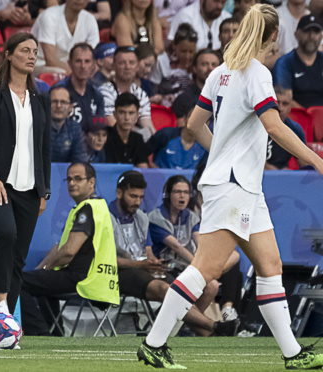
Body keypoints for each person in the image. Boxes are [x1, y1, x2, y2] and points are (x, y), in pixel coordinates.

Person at [137, 5, 323, 369]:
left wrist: (220, 151)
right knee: (204, 269)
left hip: (239, 184)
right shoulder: (257, 73)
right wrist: (314, 159)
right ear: (273, 36)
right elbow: (273, 126)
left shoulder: (221, 73)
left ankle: (294, 355)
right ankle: (153, 343)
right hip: (235, 184)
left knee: (270, 267)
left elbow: (192, 125)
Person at [0, 33, 51, 318]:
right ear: (9, 54)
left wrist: (44, 190)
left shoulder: (42, 98)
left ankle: (7, 323)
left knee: (19, 258)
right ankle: (0, 305)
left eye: (35, 52)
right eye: (25, 50)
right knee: (6, 232)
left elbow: (44, 148)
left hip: (30, 188)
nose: (31, 56)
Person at [111, 171, 240, 337]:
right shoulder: (148, 217)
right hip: (125, 272)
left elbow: (150, 253)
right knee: (174, 291)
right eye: (133, 196)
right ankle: (213, 327)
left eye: (140, 197)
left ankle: (197, 329)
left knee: (213, 283)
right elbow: (177, 247)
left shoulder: (142, 218)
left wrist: (151, 264)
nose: (137, 202)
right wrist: (199, 268)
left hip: (156, 268)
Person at [20, 162, 119, 336]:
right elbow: (60, 246)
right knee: (39, 282)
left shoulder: (87, 210)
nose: (72, 183)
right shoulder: (96, 207)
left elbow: (69, 252)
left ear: (91, 182)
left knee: (18, 281)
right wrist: (41, 270)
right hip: (99, 281)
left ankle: (39, 334)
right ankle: (55, 334)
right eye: (69, 179)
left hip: (83, 279)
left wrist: (46, 268)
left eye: (78, 179)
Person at [99, 46, 155, 140]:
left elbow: (149, 127)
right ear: (114, 66)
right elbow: (113, 126)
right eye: (122, 63)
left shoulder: (140, 94)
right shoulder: (104, 91)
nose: (127, 67)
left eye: (131, 63)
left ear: (137, 66)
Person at [31, 0, 100, 74]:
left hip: (75, 67)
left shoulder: (90, 19)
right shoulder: (49, 15)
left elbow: (93, 56)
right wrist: (76, 74)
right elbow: (50, 60)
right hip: (40, 65)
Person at [273, 14, 323, 109]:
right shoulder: (285, 62)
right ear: (296, 34)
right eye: (306, 31)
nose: (311, 36)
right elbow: (283, 100)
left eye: (316, 32)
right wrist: (310, 116)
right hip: (296, 116)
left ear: (321, 36)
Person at [53, 43, 105, 130]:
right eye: (78, 61)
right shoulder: (58, 92)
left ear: (93, 65)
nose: (83, 66)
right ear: (70, 64)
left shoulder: (97, 94)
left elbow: (100, 127)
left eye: (87, 61)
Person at [147, 93, 206, 169]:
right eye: (193, 117)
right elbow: (142, 153)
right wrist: (151, 167)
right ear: (185, 118)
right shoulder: (165, 134)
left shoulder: (205, 147)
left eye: (202, 119)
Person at [150, 23, 197, 106]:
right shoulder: (162, 61)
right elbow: (154, 90)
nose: (187, 56)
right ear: (174, 45)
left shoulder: (197, 62)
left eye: (191, 51)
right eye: (183, 51)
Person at [265, 87, 307, 170]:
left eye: (285, 104)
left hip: (283, 177)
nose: (280, 108)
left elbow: (304, 163)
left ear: (290, 106)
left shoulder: (295, 129)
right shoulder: (257, 127)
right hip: (258, 177)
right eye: (277, 102)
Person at [103, 92, 149, 167]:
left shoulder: (138, 139)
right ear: (115, 114)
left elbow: (143, 169)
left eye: (131, 113)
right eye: (122, 112)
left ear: (137, 115)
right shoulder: (105, 136)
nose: (127, 118)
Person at [49, 86, 87, 163]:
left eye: (63, 102)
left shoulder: (75, 127)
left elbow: (80, 160)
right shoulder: (37, 126)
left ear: (71, 107)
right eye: (54, 101)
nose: (58, 106)